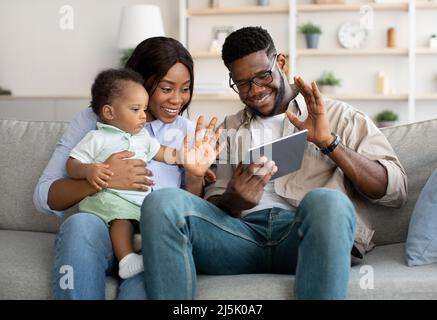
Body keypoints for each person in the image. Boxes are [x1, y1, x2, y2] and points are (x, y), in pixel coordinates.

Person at [139, 27, 408, 299]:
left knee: (329, 201)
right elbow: (211, 210)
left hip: (304, 236)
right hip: (239, 238)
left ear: (280, 63)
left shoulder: (338, 116)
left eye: (262, 76)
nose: (255, 91)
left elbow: (394, 190)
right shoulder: (229, 129)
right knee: (162, 202)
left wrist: (329, 143)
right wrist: (234, 199)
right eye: (242, 83)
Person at [33, 36, 219, 299]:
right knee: (81, 224)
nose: (177, 100)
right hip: (102, 235)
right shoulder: (95, 122)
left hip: (153, 243)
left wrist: (194, 175)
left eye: (185, 89)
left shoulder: (187, 134)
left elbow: (190, 215)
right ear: (140, 83)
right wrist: (101, 178)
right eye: (166, 88)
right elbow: (44, 196)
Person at [66, 68, 220, 280]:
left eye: (144, 109)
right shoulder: (97, 138)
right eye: (136, 109)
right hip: (111, 200)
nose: (143, 116)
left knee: (149, 222)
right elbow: (73, 163)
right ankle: (127, 259)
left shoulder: (142, 137)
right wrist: (89, 170)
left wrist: (186, 158)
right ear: (109, 113)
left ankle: (141, 249)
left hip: (138, 203)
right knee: (122, 220)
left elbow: (162, 152)